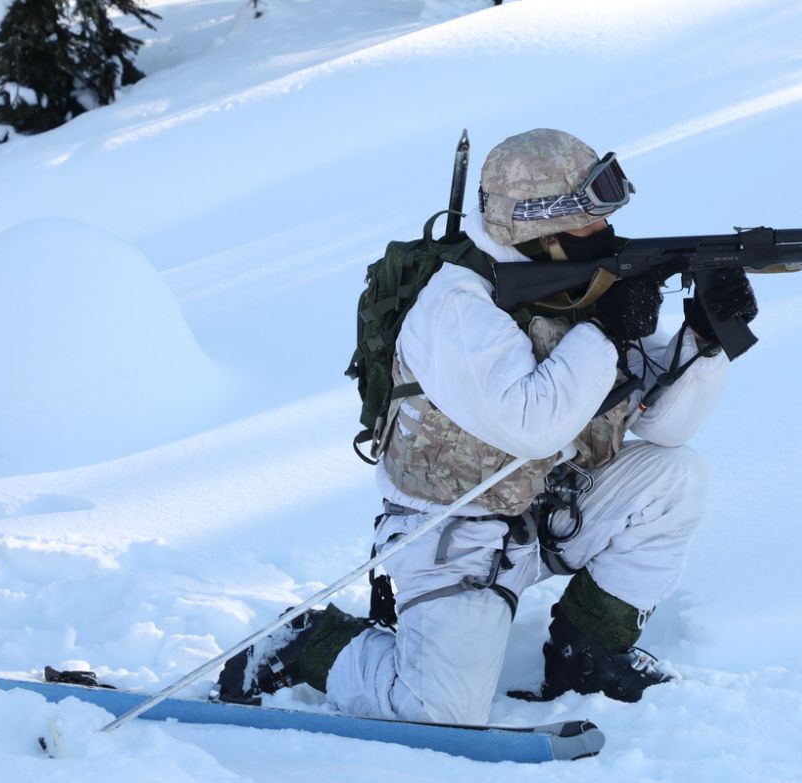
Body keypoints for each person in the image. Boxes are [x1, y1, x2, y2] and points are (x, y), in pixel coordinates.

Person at [216, 128, 758, 724]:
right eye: (588, 221)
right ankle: (309, 644)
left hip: (552, 507)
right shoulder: (458, 305)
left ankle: (589, 654)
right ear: (535, 227)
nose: (606, 233)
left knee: (674, 476)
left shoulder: (583, 284)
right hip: (454, 533)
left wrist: (708, 342)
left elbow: (666, 430)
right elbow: (534, 426)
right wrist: (605, 331)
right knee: (439, 712)